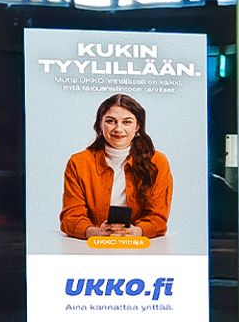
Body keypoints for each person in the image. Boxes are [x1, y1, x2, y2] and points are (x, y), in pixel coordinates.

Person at [60, 94, 172, 239]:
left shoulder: (158, 162)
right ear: (100, 124)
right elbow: (70, 217)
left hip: (140, 247)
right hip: (91, 247)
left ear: (137, 126)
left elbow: (158, 217)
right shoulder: (78, 162)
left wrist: (137, 231)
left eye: (127, 122)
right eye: (111, 121)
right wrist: (94, 232)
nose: (118, 129)